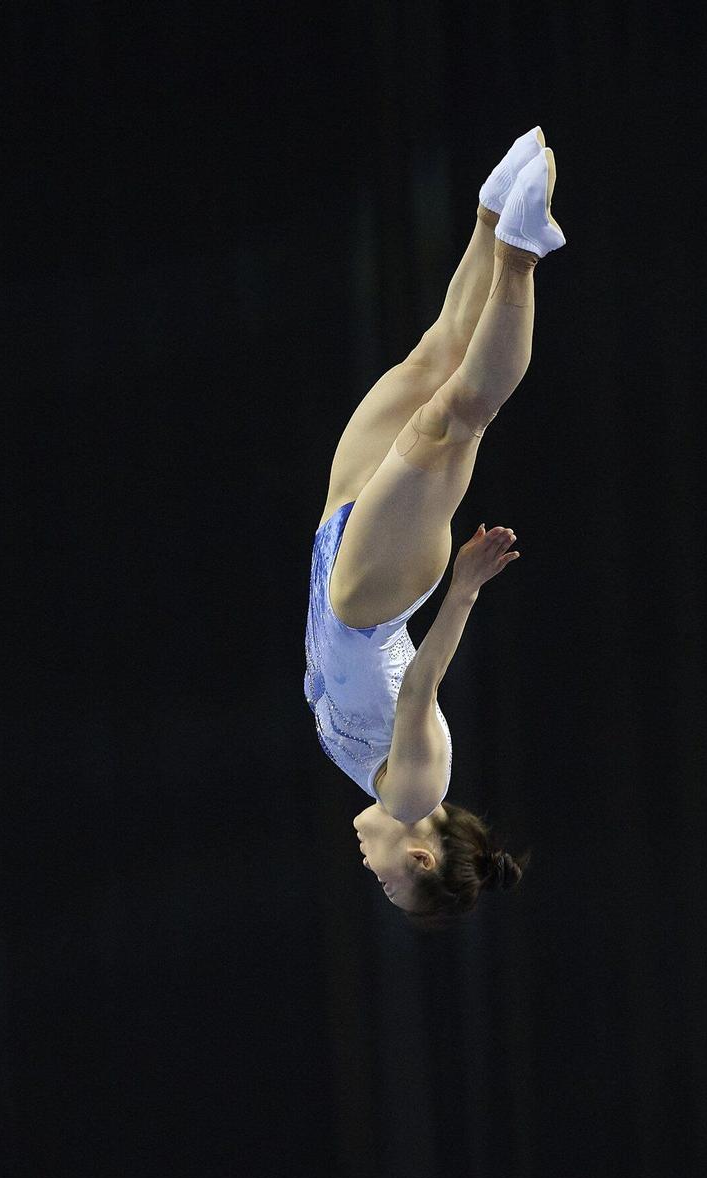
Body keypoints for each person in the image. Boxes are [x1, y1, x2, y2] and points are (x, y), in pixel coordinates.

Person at [302, 127, 560, 925]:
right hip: (370, 593)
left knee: (432, 358)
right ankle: (521, 252)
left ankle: (491, 213)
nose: (372, 872)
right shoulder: (418, 791)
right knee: (455, 416)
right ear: (418, 856)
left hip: (341, 551)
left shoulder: (381, 782)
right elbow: (419, 685)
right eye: (390, 882)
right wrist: (465, 592)